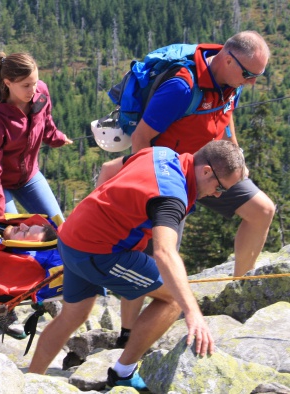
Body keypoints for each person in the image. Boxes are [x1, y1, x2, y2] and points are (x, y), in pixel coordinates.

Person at [97, 31, 275, 348]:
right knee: (153, 255)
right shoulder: (182, 87)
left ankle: (238, 291)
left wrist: (236, 156)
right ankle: (127, 335)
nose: (251, 83)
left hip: (212, 169)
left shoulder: (230, 81)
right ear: (227, 58)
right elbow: (141, 138)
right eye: (248, 74)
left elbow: (226, 114)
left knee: (262, 211)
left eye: (257, 76)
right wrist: (151, 189)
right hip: (169, 177)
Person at [29, 140, 246, 389]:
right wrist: (193, 312)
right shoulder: (172, 196)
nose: (218, 194)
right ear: (206, 170)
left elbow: (109, 166)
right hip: (99, 252)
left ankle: (31, 382)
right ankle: (123, 372)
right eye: (220, 187)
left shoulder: (161, 154)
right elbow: (165, 252)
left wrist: (101, 214)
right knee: (174, 299)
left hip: (71, 237)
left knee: (72, 315)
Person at [0, 51, 73, 223]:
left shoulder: (40, 93)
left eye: (35, 82)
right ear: (8, 83)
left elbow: (45, 121)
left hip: (27, 176)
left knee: (59, 227)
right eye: (26, 85)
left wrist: (57, 137)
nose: (33, 90)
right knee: (15, 234)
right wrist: (1, 219)